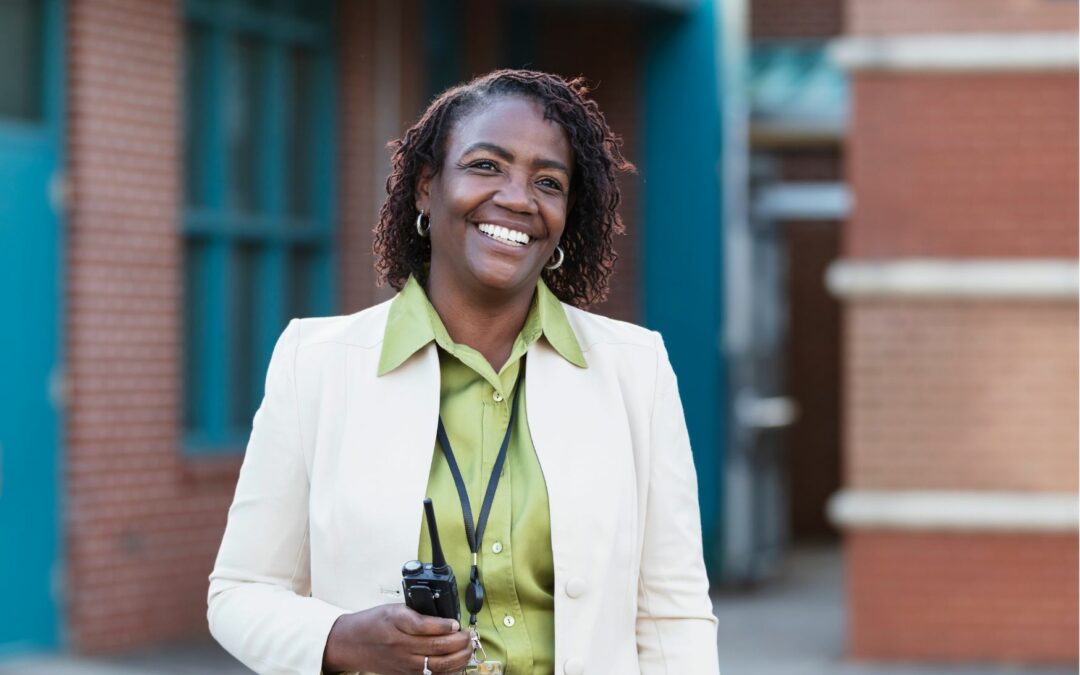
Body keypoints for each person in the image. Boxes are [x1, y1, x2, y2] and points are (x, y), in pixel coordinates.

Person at [207, 69, 719, 675]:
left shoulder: (637, 371)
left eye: (548, 182)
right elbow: (238, 591)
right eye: (485, 166)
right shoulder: (315, 364)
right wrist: (339, 638)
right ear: (427, 187)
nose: (517, 197)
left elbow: (672, 615)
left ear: (564, 218)